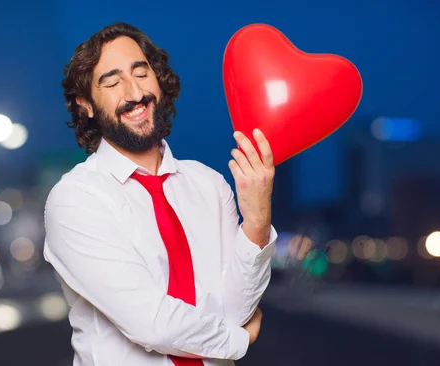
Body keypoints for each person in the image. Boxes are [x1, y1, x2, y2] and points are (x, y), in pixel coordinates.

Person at [43, 21, 278, 366]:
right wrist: (239, 339)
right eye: (111, 81)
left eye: (141, 73)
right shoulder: (76, 199)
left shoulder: (209, 185)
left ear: (159, 81)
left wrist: (257, 220)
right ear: (86, 105)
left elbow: (235, 306)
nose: (134, 92)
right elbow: (151, 323)